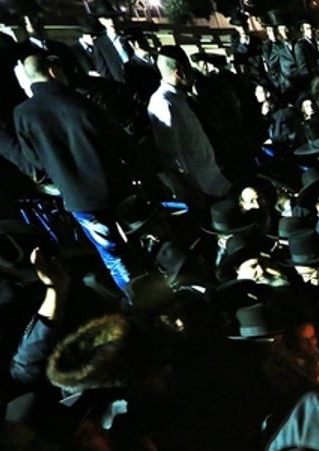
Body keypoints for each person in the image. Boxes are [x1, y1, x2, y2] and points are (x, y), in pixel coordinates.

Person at [13, 54, 144, 298]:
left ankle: (137, 299)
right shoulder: (80, 102)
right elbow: (121, 143)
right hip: (116, 188)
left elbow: (35, 163)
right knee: (139, 242)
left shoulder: (23, 113)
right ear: (53, 71)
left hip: (79, 199)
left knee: (113, 255)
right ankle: (160, 285)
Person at [148, 47, 231, 206]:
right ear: (179, 73)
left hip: (213, 179)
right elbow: (173, 158)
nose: (194, 76)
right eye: (190, 71)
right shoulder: (163, 104)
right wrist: (193, 192)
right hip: (201, 189)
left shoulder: (180, 98)